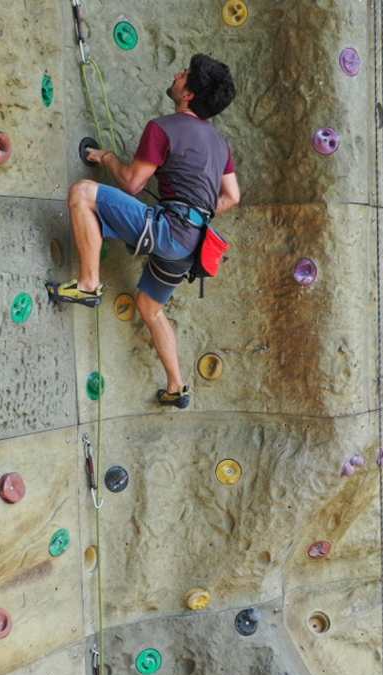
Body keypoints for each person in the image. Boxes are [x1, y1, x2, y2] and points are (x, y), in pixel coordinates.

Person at [54, 53, 240, 410]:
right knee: (149, 307)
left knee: (82, 193)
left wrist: (107, 158)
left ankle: (89, 284)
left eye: (184, 74)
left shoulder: (163, 127)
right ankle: (176, 386)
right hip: (192, 246)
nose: (177, 74)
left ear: (188, 94)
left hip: (170, 230)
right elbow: (232, 196)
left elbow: (132, 183)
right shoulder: (221, 144)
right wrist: (196, 213)